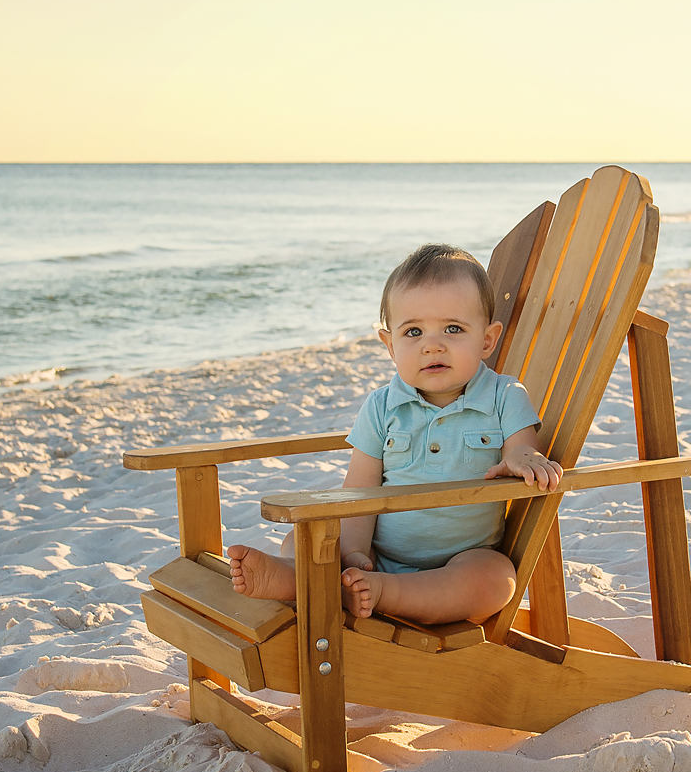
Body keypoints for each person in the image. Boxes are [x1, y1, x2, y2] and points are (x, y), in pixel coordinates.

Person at [226, 243, 561, 624]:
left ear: (487, 339)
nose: (432, 344)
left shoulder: (504, 395)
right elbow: (360, 489)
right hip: (376, 557)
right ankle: (298, 575)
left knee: (496, 580)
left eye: (453, 329)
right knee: (305, 539)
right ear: (390, 345)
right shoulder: (381, 406)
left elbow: (525, 448)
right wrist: (353, 553)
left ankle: (374, 592)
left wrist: (521, 456)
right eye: (413, 331)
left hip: (462, 559)